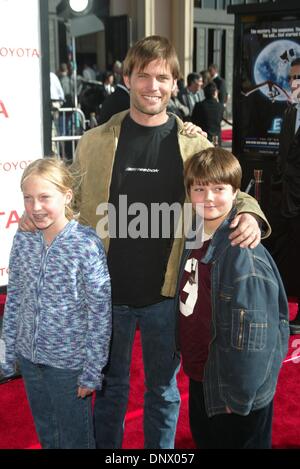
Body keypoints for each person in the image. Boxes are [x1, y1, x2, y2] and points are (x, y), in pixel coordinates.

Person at [21, 36, 269, 449]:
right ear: (128, 79)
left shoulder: (194, 142)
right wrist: (38, 212)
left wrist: (250, 214)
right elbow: (71, 198)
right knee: (111, 391)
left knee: (163, 392)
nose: (152, 86)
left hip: (167, 295)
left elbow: (229, 187)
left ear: (175, 85)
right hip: (105, 296)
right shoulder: (95, 141)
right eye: (143, 77)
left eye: (162, 78)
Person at [177, 147, 289, 449]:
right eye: (200, 189)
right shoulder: (198, 234)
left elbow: (256, 335)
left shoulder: (242, 253)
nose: (209, 197)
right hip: (206, 377)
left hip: (233, 391)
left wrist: (238, 395)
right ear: (189, 192)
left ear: (236, 193)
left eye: (218, 189)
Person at [0, 158, 112, 449]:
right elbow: (15, 300)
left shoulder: (86, 245)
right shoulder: (23, 239)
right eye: (28, 198)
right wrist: (7, 352)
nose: (35, 207)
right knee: (48, 436)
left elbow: (99, 314)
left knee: (76, 440)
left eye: (44, 197)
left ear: (67, 196)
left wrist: (92, 369)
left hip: (69, 366)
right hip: (29, 360)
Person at [265, 57, 300, 335]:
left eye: (298, 77)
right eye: (291, 78)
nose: (293, 83)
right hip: (286, 196)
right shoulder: (290, 111)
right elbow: (283, 153)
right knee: (285, 253)